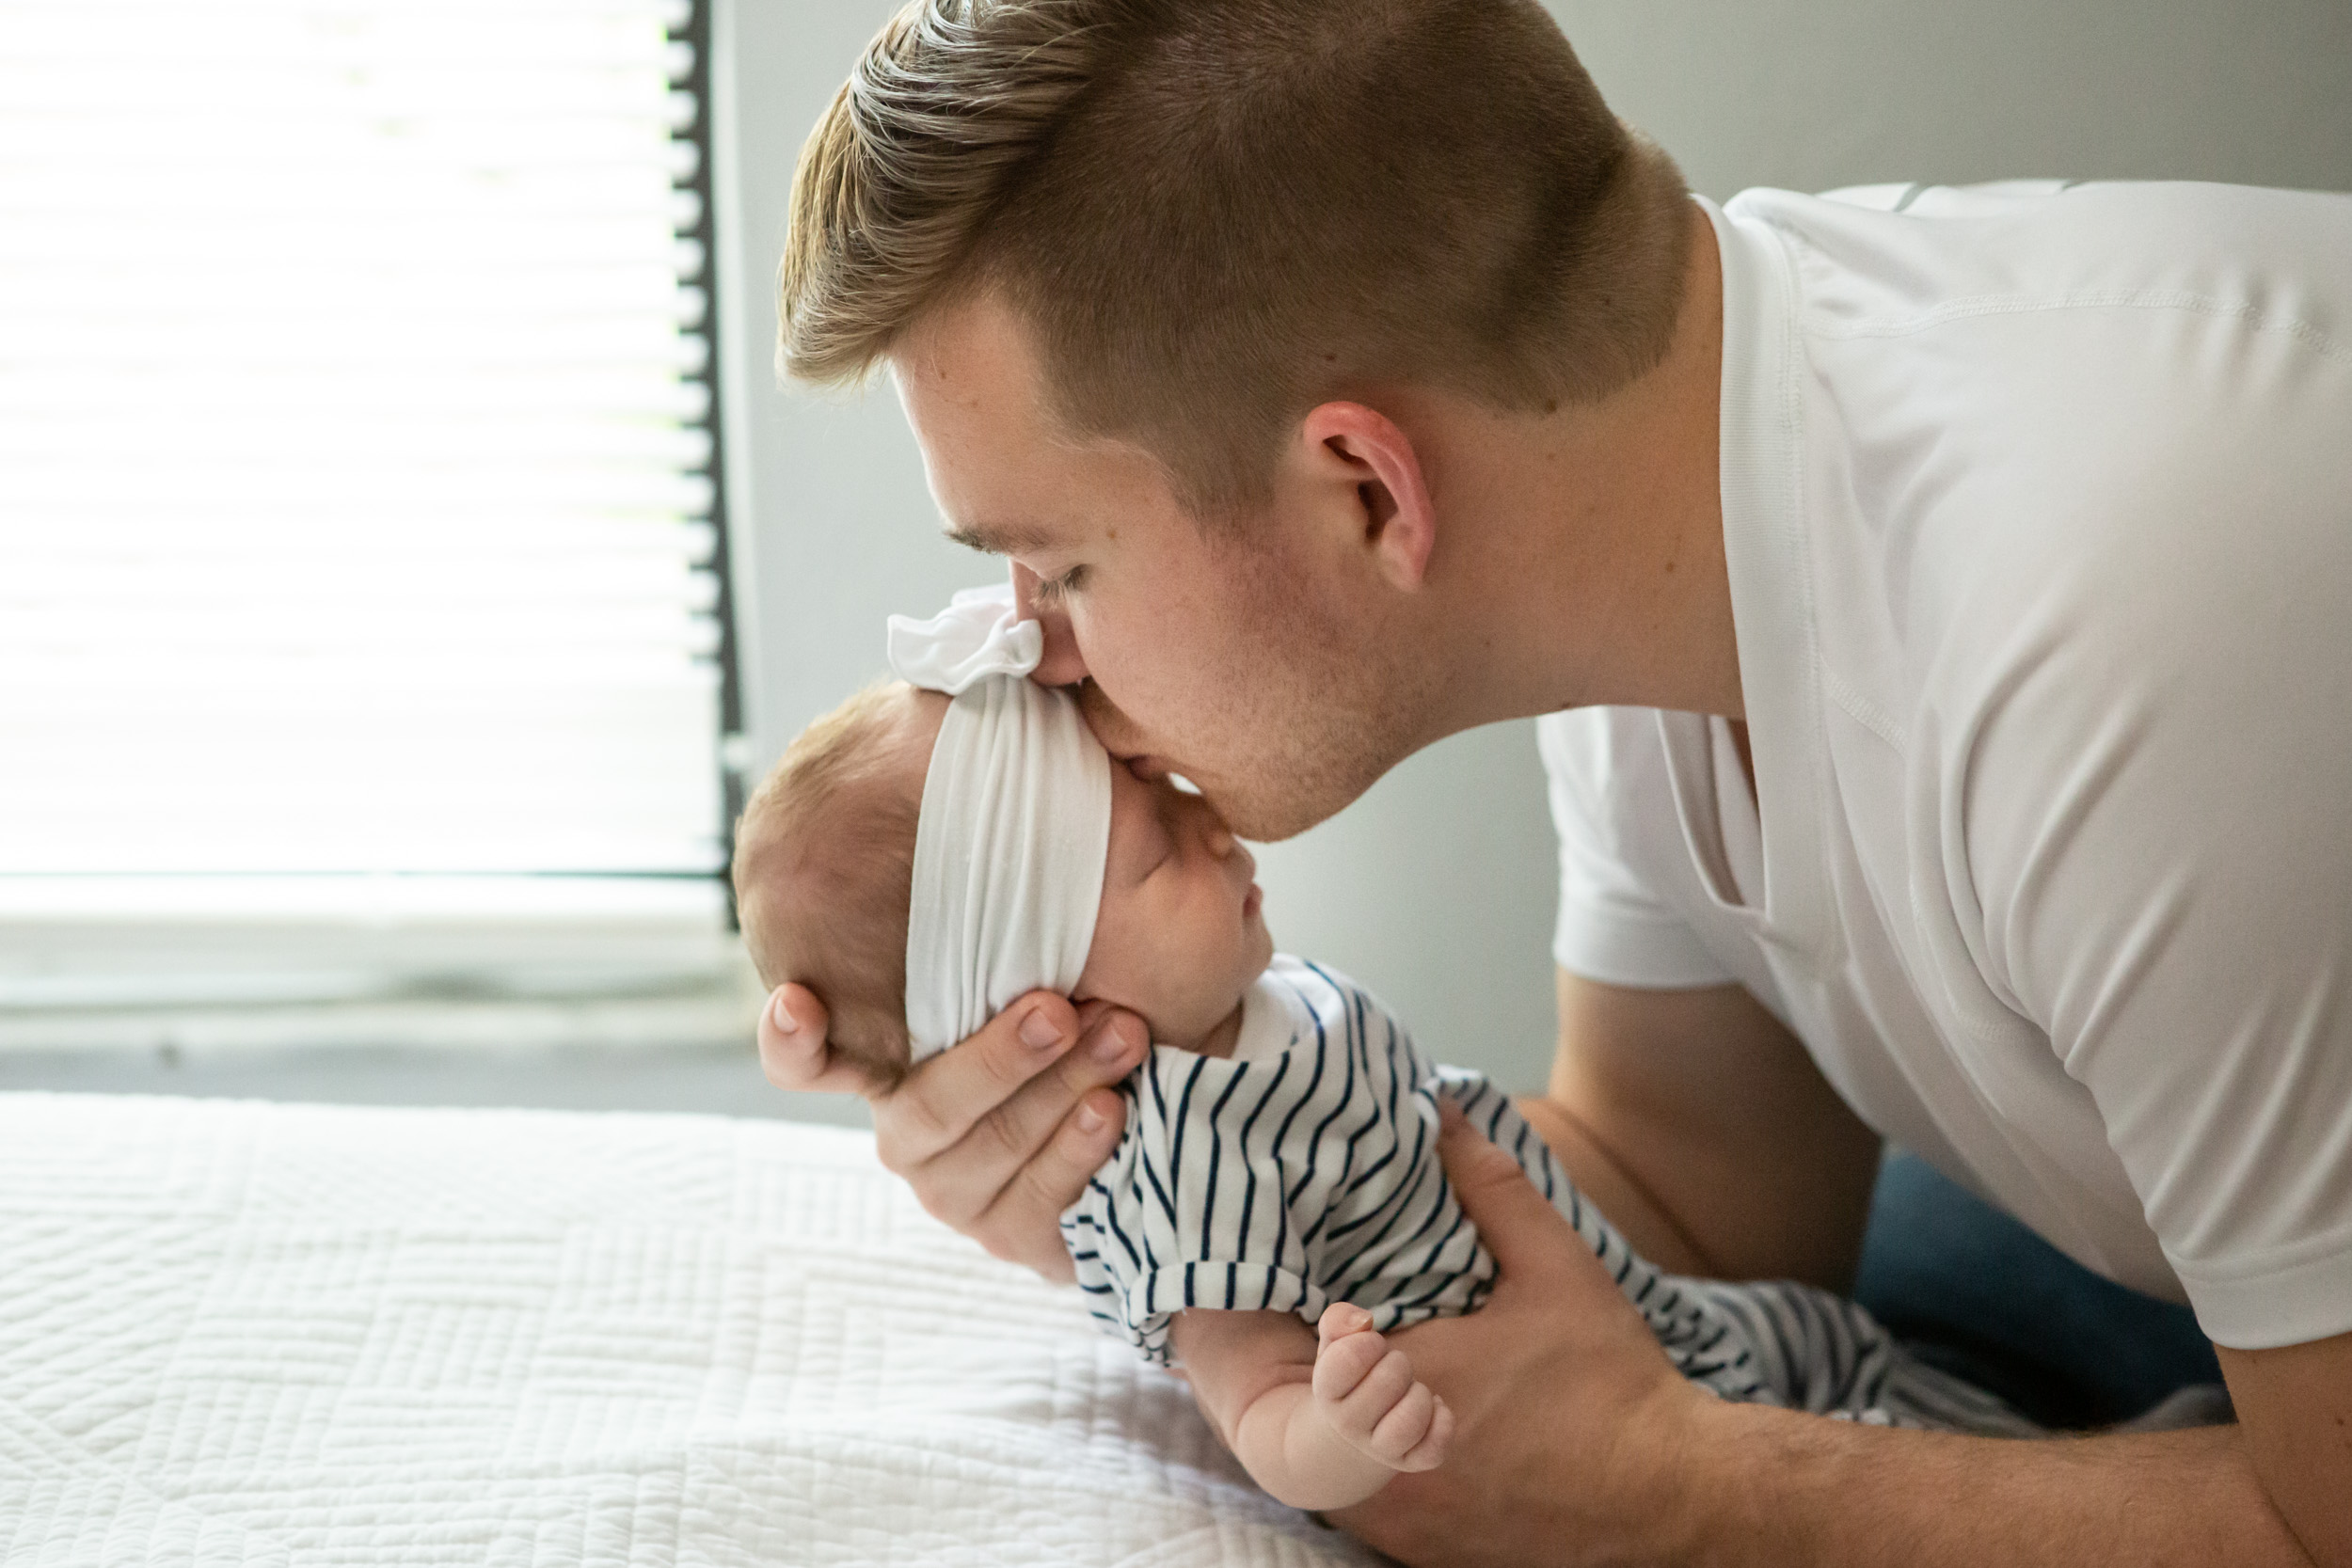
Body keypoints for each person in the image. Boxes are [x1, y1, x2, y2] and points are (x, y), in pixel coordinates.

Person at [753, 0, 2352, 1562]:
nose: (1037, 663)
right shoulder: (1650, 504)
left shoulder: (2119, 645)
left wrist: (1679, 1490)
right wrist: (1129, 1172)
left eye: (1059, 564)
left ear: (1368, 489)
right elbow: (1695, 1203)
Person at [731, 596, 2047, 1508]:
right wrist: (1337, 1432)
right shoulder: (1181, 1151)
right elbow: (1249, 1393)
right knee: (1847, 1421)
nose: (1210, 827)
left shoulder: (1244, 1004)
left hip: (1651, 1300)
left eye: (1167, 800)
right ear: (1040, 1008)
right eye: (1149, 854)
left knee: (1851, 1368)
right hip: (1597, 1379)